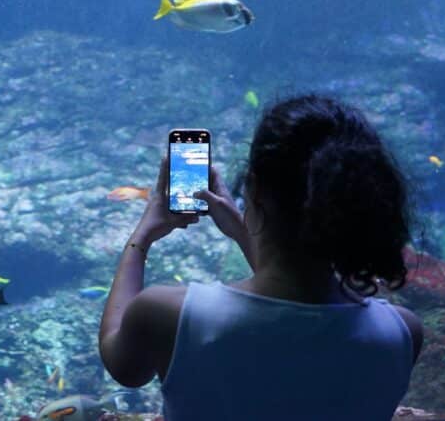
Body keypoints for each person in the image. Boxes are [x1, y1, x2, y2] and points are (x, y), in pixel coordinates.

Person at [99, 94, 423, 420]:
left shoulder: (169, 315)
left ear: (253, 191)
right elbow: (300, 314)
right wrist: (244, 230)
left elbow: (122, 362)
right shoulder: (400, 333)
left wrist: (141, 239)